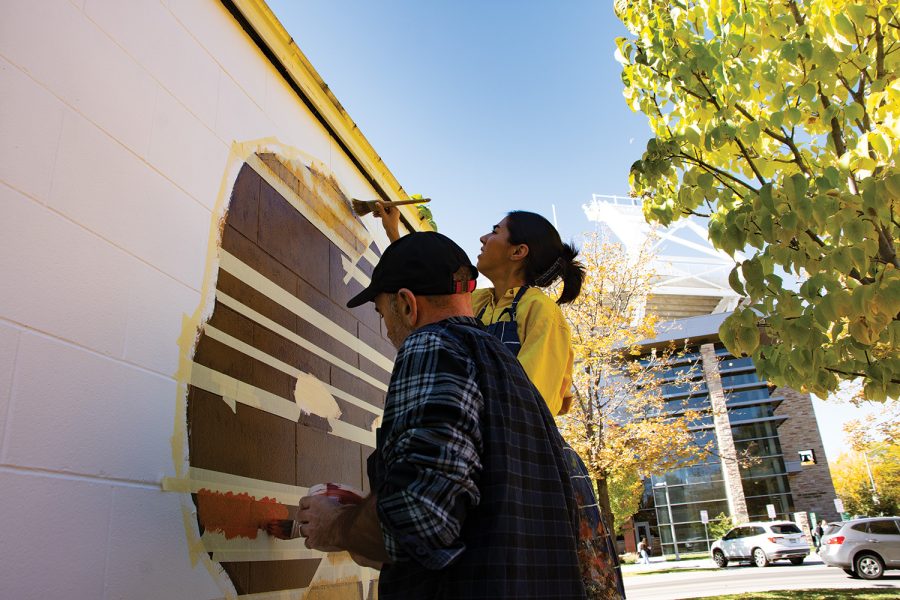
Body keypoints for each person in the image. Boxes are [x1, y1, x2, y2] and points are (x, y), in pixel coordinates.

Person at [293, 232, 587, 599]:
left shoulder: (431, 345)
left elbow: (419, 520)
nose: (386, 330)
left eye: (381, 312)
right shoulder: (509, 372)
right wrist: (371, 512)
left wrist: (336, 525)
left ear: (406, 305)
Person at [376, 205, 625, 600]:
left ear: (518, 251)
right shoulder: (478, 305)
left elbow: (529, 404)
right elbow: (425, 292)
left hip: (529, 463)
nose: (482, 238)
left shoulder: (539, 312)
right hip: (482, 450)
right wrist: (395, 234)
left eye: (494, 231)